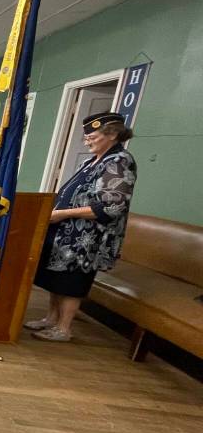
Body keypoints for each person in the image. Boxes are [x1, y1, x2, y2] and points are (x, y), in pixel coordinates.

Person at [25, 112, 138, 342]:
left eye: (92, 136)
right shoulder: (94, 160)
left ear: (113, 134)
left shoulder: (119, 161)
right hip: (66, 233)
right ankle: (51, 318)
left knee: (72, 280)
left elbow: (112, 206)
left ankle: (63, 328)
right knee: (56, 277)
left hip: (87, 237)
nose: (86, 140)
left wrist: (63, 213)